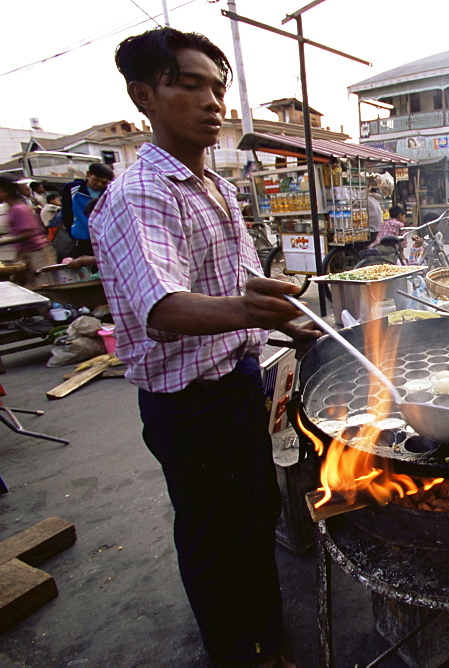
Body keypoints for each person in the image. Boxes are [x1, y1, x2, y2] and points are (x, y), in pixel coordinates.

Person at [89, 27, 317, 666]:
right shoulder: (142, 194)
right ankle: (239, 651)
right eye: (189, 84)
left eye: (218, 88)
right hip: (189, 405)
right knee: (217, 535)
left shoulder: (212, 185)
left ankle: (267, 638)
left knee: (252, 518)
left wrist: (280, 315)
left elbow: (229, 283)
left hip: (239, 381)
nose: (213, 101)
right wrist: (252, 308)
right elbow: (163, 306)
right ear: (144, 96)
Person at [0, 176, 57, 288]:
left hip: (38, 252)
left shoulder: (19, 209)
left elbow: (29, 233)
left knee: (43, 285)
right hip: (26, 252)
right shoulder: (12, 208)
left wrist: (4, 241)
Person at [61, 162, 114, 258]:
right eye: (96, 180)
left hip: (103, 239)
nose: (99, 184)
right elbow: (66, 213)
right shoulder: (72, 189)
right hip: (81, 237)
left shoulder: (109, 192)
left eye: (104, 183)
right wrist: (72, 232)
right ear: (88, 174)